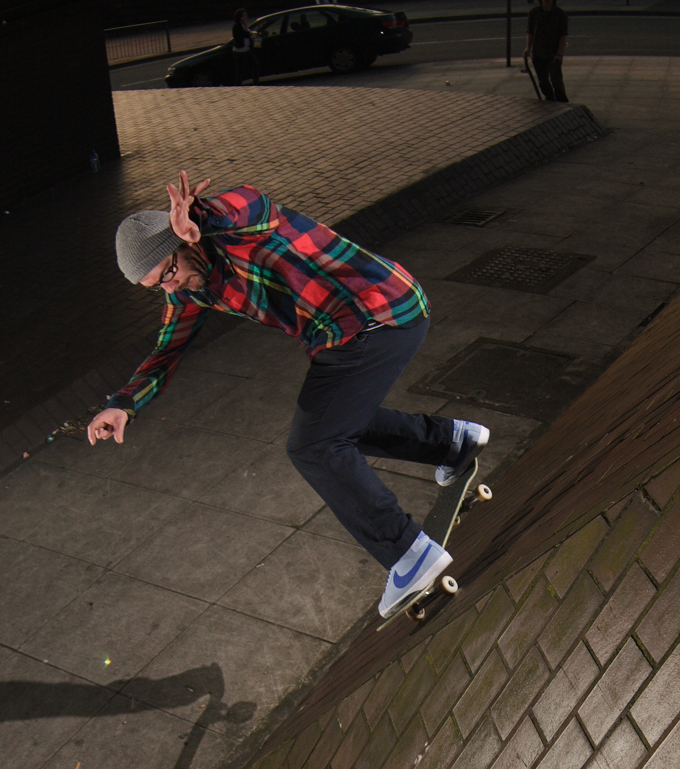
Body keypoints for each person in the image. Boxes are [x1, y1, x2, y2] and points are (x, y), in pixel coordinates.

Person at [87, 172, 489, 618]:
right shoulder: (189, 291)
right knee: (333, 427)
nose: (171, 286)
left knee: (313, 445)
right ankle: (452, 443)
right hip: (349, 332)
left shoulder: (237, 233)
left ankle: (410, 555)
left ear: (185, 243)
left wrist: (202, 215)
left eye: (170, 272)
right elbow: (167, 349)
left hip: (374, 312)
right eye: (157, 286)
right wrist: (123, 403)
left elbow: (250, 203)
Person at [524, 0, 569, 103]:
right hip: (538, 52)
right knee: (543, 80)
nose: (547, 1)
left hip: (553, 53)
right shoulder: (534, 13)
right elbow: (530, 32)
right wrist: (528, 48)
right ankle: (549, 99)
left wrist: (559, 54)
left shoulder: (560, 14)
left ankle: (562, 100)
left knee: (556, 80)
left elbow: (562, 36)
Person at [231, 9, 260, 85]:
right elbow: (244, 35)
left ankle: (256, 82)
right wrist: (247, 29)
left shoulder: (244, 25)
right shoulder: (237, 26)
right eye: (244, 15)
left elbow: (248, 34)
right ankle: (238, 84)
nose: (246, 17)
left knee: (255, 64)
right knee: (240, 69)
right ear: (240, 17)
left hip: (247, 49)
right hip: (239, 50)